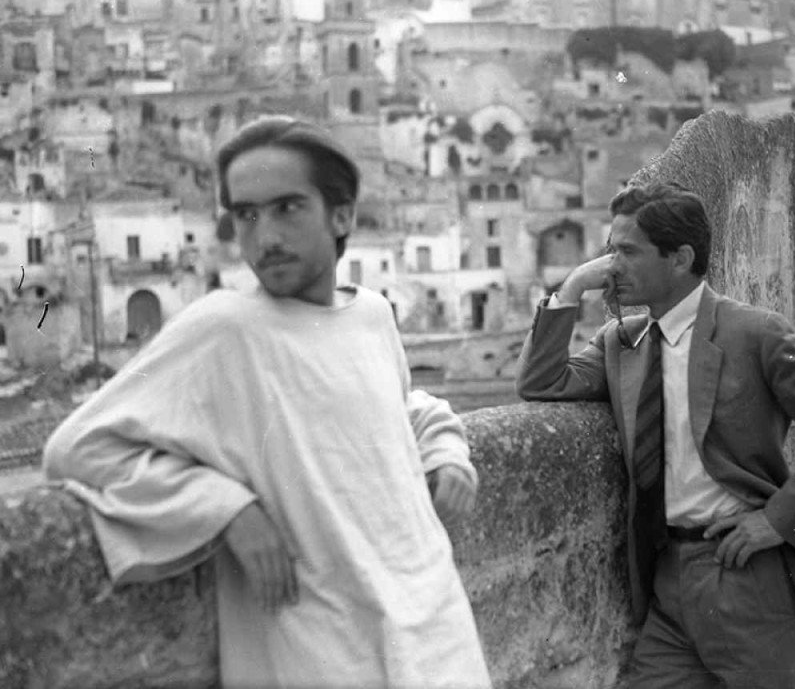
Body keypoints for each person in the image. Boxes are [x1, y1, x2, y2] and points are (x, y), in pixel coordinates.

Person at [43, 116, 491, 688]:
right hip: (322, 650)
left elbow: (392, 407)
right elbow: (76, 449)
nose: (265, 236)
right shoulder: (224, 328)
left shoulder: (374, 315)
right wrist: (225, 508)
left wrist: (447, 448)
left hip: (435, 628)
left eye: (287, 208)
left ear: (342, 215)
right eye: (246, 215)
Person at [515, 183, 795, 689]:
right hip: (667, 583)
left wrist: (778, 521)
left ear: (680, 257)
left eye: (627, 251)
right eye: (608, 250)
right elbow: (540, 382)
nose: (612, 265)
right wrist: (572, 288)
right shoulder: (625, 342)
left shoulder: (754, 334)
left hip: (746, 573)